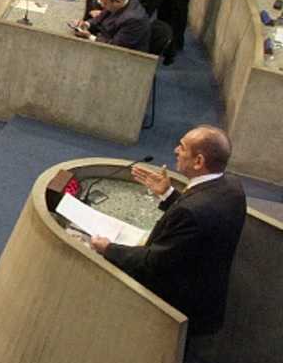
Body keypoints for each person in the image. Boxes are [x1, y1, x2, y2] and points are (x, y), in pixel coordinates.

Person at [91, 125, 245, 336]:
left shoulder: (191, 212)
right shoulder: (232, 186)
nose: (175, 151)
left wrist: (108, 249)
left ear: (199, 162)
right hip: (206, 295)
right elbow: (201, 223)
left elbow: (154, 262)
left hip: (175, 309)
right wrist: (168, 194)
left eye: (181, 148)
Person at [71, 0, 151, 51]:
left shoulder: (134, 20)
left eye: (105, 3)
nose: (102, 5)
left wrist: (89, 37)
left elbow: (115, 47)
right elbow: (100, 17)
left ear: (117, 1)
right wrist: (86, 24)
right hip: (103, 38)